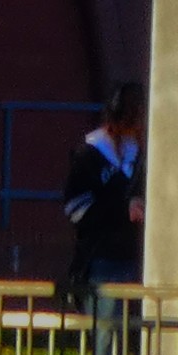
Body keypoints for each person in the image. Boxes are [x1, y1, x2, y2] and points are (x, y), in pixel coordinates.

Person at [57, 85, 142, 301]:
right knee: (105, 319)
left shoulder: (140, 154)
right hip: (101, 258)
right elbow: (76, 208)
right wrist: (124, 210)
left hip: (137, 257)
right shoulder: (89, 154)